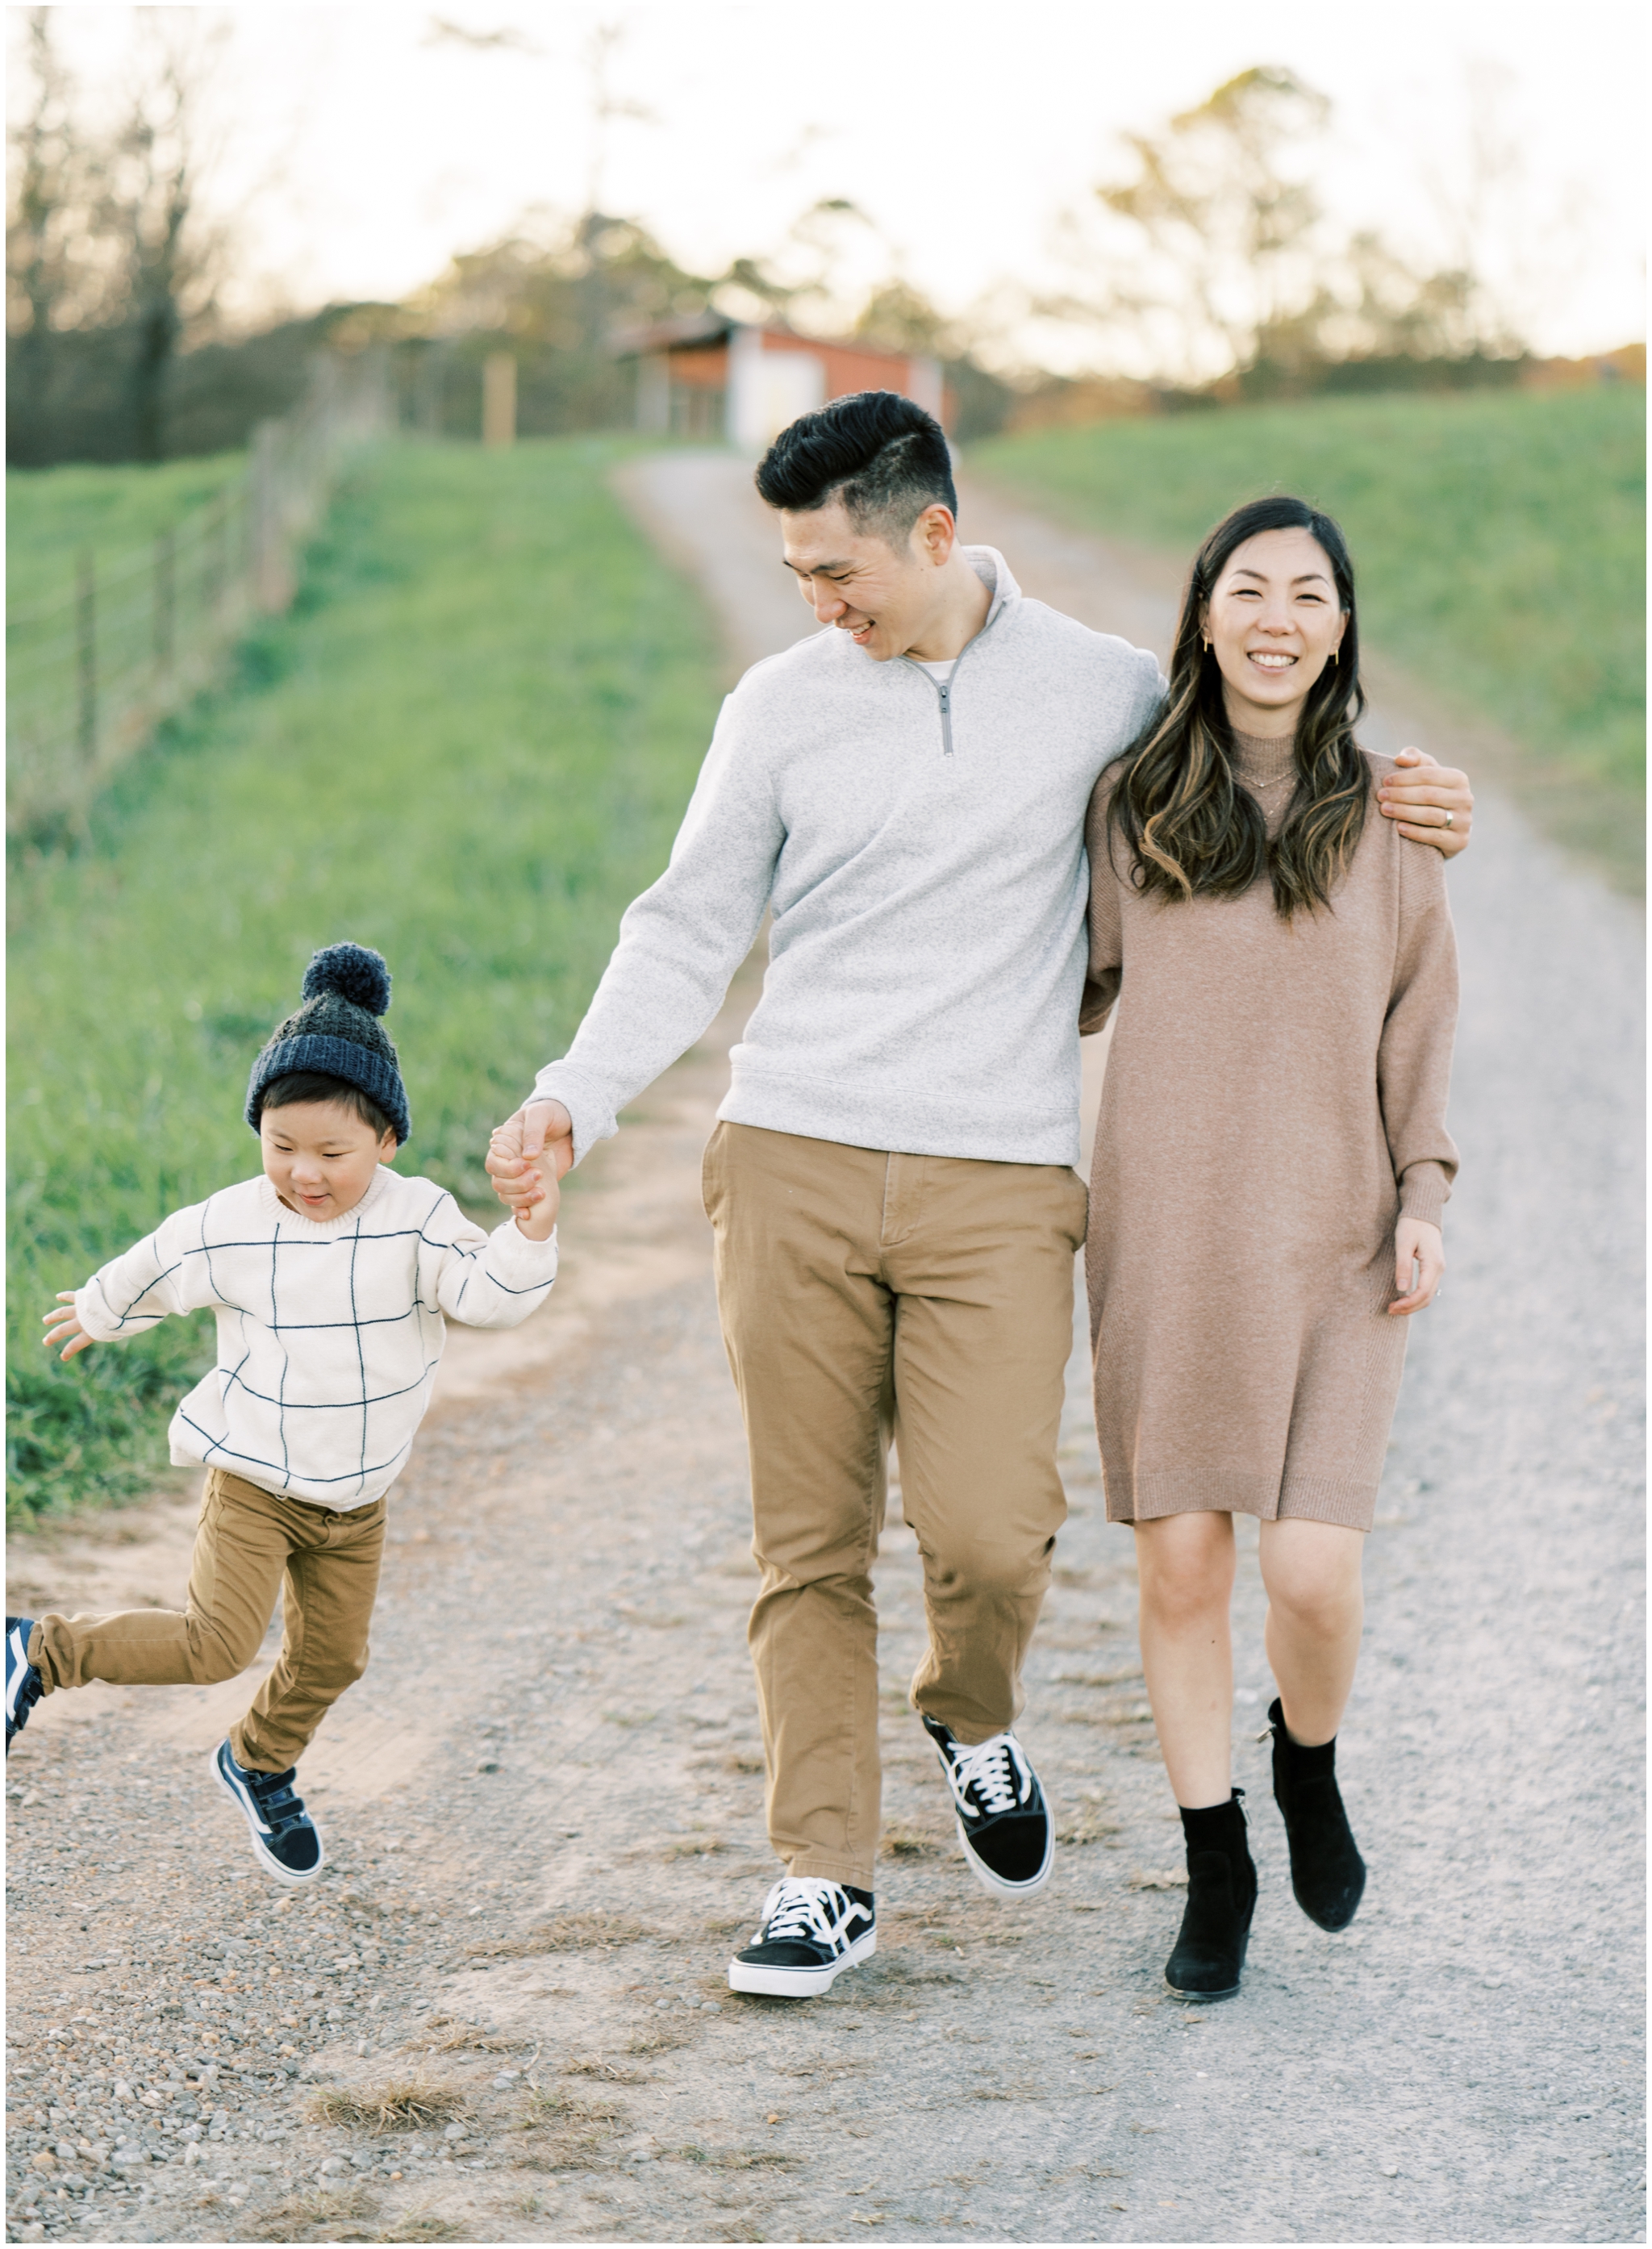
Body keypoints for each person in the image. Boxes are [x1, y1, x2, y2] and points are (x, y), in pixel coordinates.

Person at [485, 392, 1475, 2001]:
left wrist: (1422, 803)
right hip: (791, 1146)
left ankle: (971, 1706)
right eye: (797, 573)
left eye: (832, 571)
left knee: (992, 1537)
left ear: (931, 533)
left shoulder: (1101, 695)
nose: (817, 602)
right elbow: (682, 926)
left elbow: (1271, 747)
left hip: (1001, 1177)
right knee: (806, 1541)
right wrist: (571, 1098)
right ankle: (822, 1871)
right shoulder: (779, 704)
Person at [1081, 494, 1459, 2001]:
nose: (1276, 617)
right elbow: (1056, 982)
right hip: (1165, 1229)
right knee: (1181, 1558)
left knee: (1309, 1570)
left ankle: (1304, 1760)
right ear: (1203, 612)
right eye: (1248, 588)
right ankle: (1213, 1857)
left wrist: (1422, 1189)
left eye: (1308, 593)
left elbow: (1421, 1018)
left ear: (1340, 626)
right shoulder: (1127, 808)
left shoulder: (1392, 815)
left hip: (1336, 1235)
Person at [4, 944, 561, 1887]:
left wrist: (531, 1231)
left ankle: (259, 1759)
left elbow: (487, 1293)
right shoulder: (237, 1220)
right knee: (214, 1641)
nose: (304, 1173)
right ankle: (36, 1649)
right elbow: (166, 1258)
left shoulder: (418, 1219)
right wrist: (101, 1308)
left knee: (334, 1659)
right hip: (256, 1478)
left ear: (385, 1141)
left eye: (332, 1153)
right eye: (280, 1145)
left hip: (356, 1500)